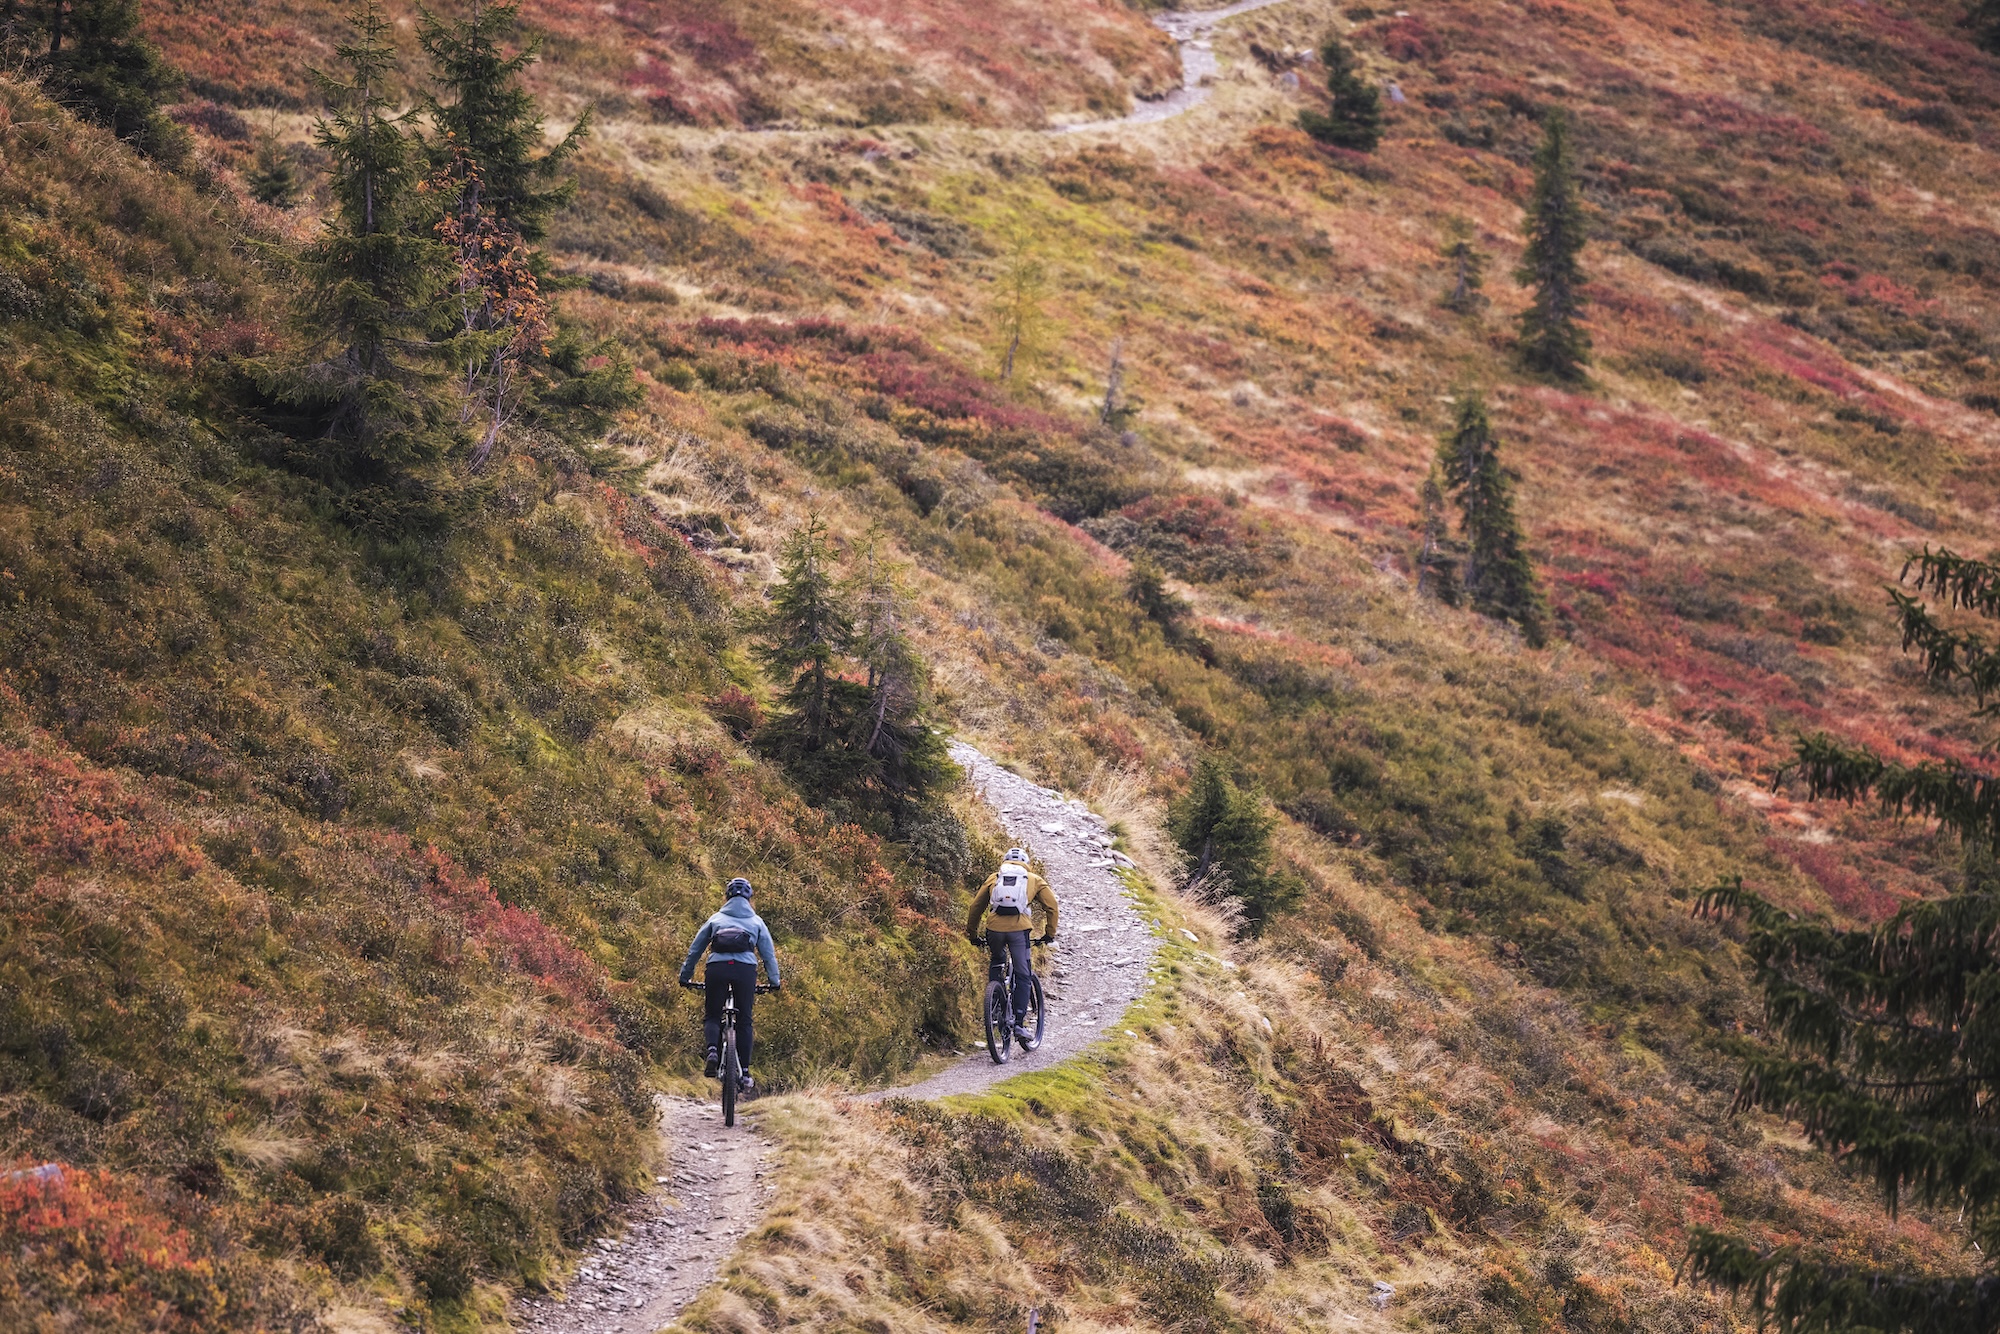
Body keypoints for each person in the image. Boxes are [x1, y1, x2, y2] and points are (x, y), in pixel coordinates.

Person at [679, 877, 780, 1093]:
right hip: (745, 971)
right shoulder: (757, 922)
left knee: (713, 1015)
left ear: (726, 897)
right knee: (745, 1021)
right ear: (750, 899)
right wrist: (774, 981)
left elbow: (695, 950)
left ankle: (712, 1051)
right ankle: (745, 1072)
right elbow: (768, 955)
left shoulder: (716, 919)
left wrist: (685, 976)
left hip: (717, 968)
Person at [965, 848, 1058, 1048]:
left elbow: (975, 907)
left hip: (994, 930)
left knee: (997, 961)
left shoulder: (994, 877)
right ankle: (1018, 1023)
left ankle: (995, 1005)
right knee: (1023, 975)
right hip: (1019, 932)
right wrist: (1049, 934)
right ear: (1026, 863)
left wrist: (972, 935)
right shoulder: (1033, 879)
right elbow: (1052, 907)